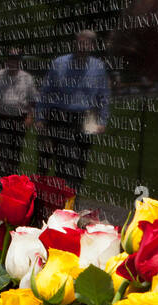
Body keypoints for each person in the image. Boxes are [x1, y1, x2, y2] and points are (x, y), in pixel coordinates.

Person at [35, 29, 109, 193]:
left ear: (92, 46)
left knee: (81, 161)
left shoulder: (98, 67)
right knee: (64, 160)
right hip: (62, 115)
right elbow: (46, 91)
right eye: (80, 42)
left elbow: (103, 95)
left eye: (87, 43)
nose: (83, 46)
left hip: (87, 116)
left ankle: (73, 198)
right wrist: (40, 117)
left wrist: (102, 120)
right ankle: (60, 196)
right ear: (75, 44)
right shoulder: (59, 63)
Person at [0, 49, 37, 177]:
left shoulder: (27, 78)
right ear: (7, 60)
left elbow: (33, 100)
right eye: (10, 59)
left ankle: (12, 180)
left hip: (19, 119)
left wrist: (30, 116)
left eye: (15, 60)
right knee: (0, 150)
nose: (12, 62)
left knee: (15, 151)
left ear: (19, 61)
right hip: (1, 117)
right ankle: (0, 179)